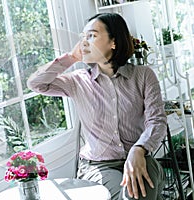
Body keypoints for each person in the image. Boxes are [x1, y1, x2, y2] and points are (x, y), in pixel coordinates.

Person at [27, 12, 167, 199]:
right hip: (98, 165)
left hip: (139, 156)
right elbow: (36, 83)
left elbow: (157, 120)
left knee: (139, 188)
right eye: (83, 37)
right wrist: (71, 57)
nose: (85, 42)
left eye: (92, 35)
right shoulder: (77, 81)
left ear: (113, 42)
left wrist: (139, 148)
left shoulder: (142, 76)